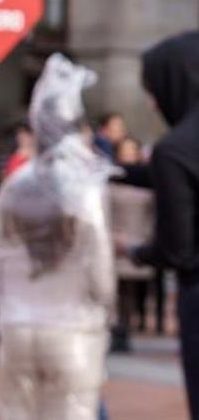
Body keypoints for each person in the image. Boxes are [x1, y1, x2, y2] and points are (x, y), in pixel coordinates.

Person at [0, 53, 114, 420]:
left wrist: (5, 306)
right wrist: (103, 307)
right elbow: (101, 276)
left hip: (17, 325)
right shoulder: (85, 190)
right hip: (72, 329)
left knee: (16, 411)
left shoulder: (15, 186)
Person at [126, 30, 199, 418]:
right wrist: (119, 171)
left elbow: (177, 249)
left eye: (154, 90)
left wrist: (133, 252)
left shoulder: (175, 149)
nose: (153, 105)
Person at [107, 136, 154, 354]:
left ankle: (125, 328)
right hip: (114, 239)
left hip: (138, 238)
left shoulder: (148, 179)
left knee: (131, 291)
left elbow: (152, 214)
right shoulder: (112, 178)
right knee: (114, 289)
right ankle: (115, 328)